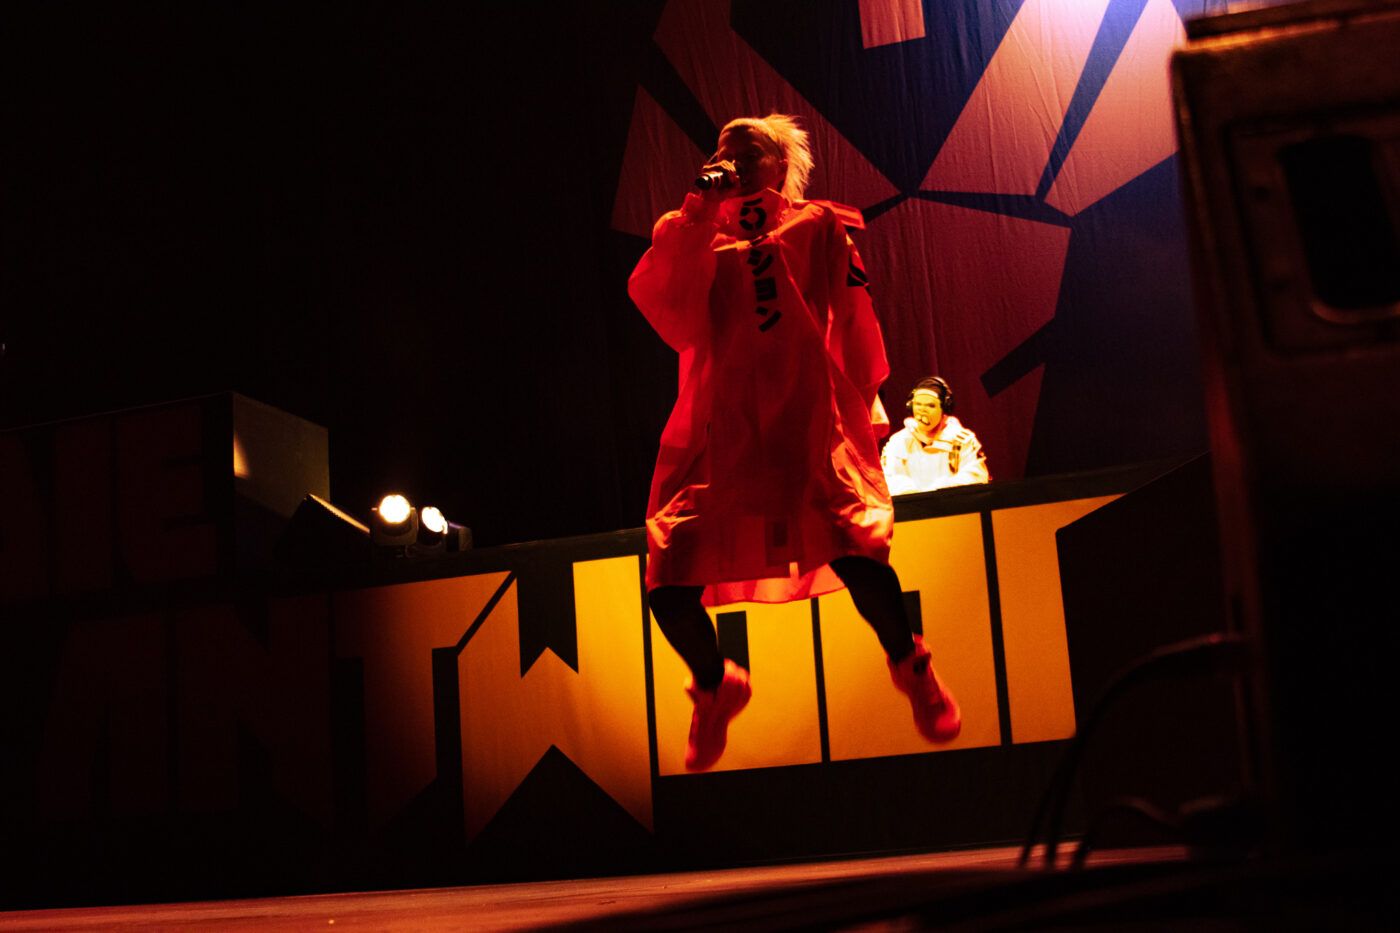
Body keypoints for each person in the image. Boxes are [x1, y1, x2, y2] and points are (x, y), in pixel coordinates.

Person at [628, 113, 960, 771]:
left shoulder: (818, 224)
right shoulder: (692, 232)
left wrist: (860, 409)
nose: (732, 161)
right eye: (723, 151)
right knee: (668, 570)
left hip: (806, 420)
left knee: (855, 550)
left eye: (748, 151)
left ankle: (912, 666)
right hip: (725, 433)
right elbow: (674, 313)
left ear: (780, 165)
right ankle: (715, 686)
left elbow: (855, 318)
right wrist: (698, 213)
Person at [881, 376, 990, 495]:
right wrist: (913, 493)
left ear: (944, 408)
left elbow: (976, 477)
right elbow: (888, 479)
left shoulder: (963, 441)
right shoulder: (898, 442)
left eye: (930, 405)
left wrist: (937, 491)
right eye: (918, 404)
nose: (922, 410)